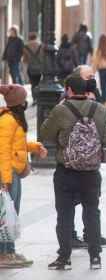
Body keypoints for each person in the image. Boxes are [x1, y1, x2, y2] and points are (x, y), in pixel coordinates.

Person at [41, 75, 106, 270]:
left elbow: (44, 134)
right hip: (91, 173)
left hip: (66, 171)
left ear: (69, 90)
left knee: (64, 215)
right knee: (92, 212)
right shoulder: (98, 108)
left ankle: (64, 258)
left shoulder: (60, 109)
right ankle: (95, 257)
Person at [0, 85, 46, 268]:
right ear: (19, 102)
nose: (27, 102)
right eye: (24, 99)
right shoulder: (7, 121)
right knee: (6, 214)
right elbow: (2, 151)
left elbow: (16, 144)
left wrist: (35, 147)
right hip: (8, 173)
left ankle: (9, 251)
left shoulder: (13, 119)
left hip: (14, 171)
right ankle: (5, 253)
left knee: (11, 213)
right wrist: (4, 180)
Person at [22, 33, 44, 104]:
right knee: (38, 83)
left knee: (33, 84)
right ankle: (38, 98)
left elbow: (25, 60)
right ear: (36, 37)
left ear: (29, 38)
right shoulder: (41, 45)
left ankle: (34, 98)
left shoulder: (26, 46)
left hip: (31, 68)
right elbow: (43, 57)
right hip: (40, 68)